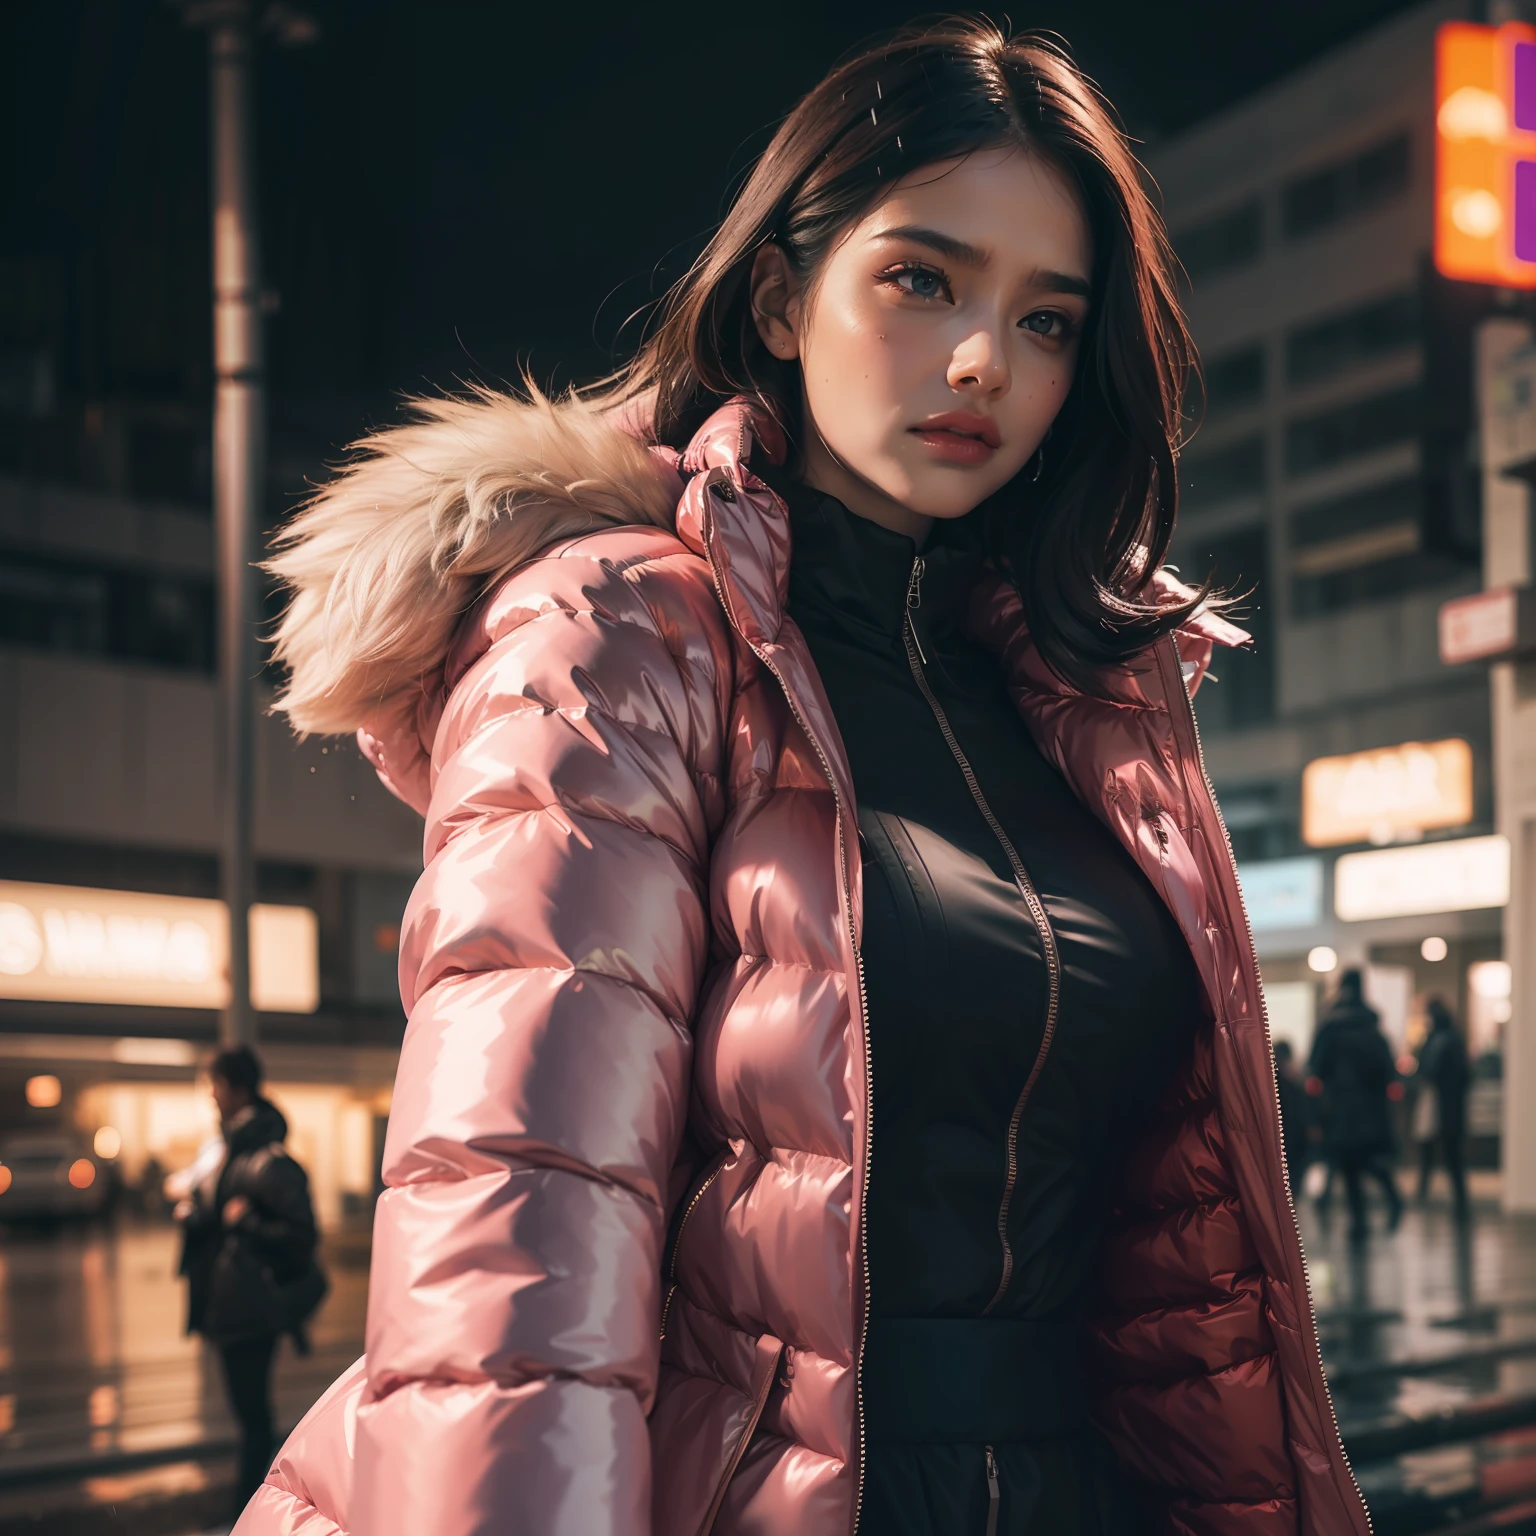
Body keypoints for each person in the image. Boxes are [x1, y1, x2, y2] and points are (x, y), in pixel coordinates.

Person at [234, 20, 1370, 1536]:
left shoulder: (1090, 701)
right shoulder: (621, 637)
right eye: (921, 277)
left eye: (1047, 321)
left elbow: (1184, 1273)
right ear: (780, 292)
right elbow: (517, 1240)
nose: (983, 360)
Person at [176, 1047, 324, 1517]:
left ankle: (250, 1507)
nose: (212, 1096)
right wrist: (200, 1217)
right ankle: (248, 1504)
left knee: (255, 1417)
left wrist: (245, 1224)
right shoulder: (229, 1152)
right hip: (230, 1307)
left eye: (215, 1085)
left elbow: (302, 1235)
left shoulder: (269, 1161)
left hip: (252, 1309)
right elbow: (223, 1219)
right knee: (249, 1414)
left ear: (236, 1088)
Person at [1308, 970, 1404, 1242]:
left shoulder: (1330, 1026)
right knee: (1364, 1160)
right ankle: (1391, 1198)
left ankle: (1359, 1220)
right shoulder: (1373, 1028)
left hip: (1339, 1109)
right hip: (1371, 1110)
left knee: (1349, 1163)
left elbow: (1316, 1068)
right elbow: (1388, 1072)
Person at [1416, 997, 1471, 1220]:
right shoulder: (1452, 1039)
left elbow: (1427, 1068)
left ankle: (1427, 1194)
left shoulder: (1438, 1040)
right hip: (1449, 1106)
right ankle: (1457, 1200)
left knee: (1441, 1154)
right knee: (1449, 1155)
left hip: (1442, 1103)